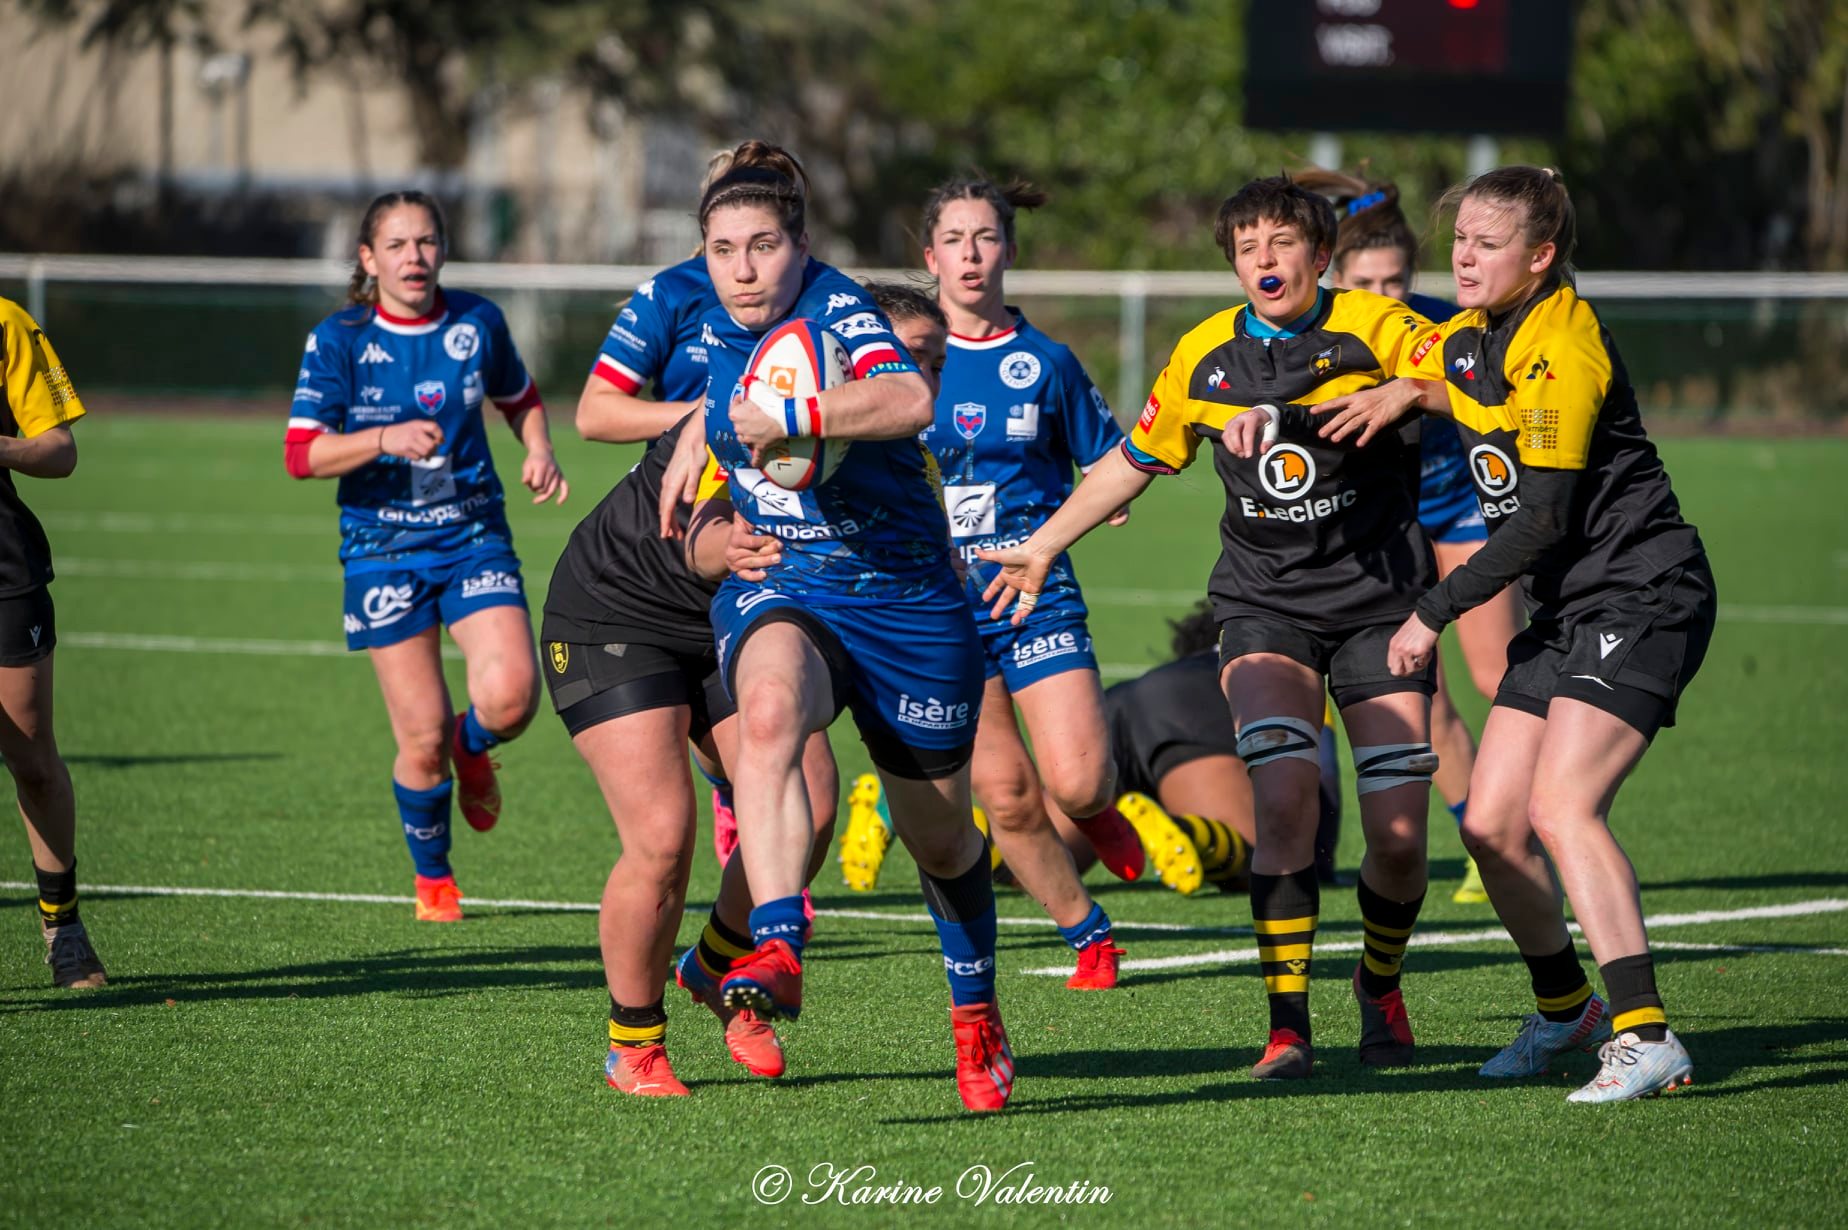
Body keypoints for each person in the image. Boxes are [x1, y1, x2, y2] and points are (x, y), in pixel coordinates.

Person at [980, 175, 1441, 1081]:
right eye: (1247, 248)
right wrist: (1040, 546)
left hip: (1381, 602)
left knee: (1395, 838)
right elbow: (1134, 460)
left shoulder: (1380, 327)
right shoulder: (1203, 354)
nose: (1264, 261)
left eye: (1281, 244)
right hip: (1262, 602)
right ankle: (1287, 1026)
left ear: (1320, 254)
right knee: (1283, 801)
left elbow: (1474, 375)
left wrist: (1409, 394)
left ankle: (1379, 983)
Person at [1317, 166, 1716, 1102]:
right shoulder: (1472, 334)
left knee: (1561, 808)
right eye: (1459, 241)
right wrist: (1405, 393)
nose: (1463, 257)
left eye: (1487, 245)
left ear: (1539, 258)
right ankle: (1566, 1006)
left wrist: (1431, 612)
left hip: (1642, 594)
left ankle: (1645, 1033)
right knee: (1492, 825)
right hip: (1572, 607)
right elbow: (1447, 373)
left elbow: (1538, 519)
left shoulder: (1563, 345)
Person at [663, 142, 1014, 1112]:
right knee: (768, 714)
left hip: (906, 602)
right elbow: (608, 409)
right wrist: (689, 444)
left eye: (763, 244)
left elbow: (909, 398)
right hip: (789, 585)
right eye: (724, 247)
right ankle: (777, 941)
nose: (743, 266)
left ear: (799, 246)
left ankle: (976, 1012)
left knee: (940, 840)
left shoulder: (838, 307)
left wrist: (790, 413)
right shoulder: (687, 315)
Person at [878, 174, 1149, 992]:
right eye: (954, 240)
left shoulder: (1048, 362)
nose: (970, 254)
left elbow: (1108, 459)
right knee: (1007, 797)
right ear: (930, 257)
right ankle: (1089, 934)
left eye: (986, 237)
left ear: (1010, 250)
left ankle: (1100, 814)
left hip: (1033, 589)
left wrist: (1105, 499)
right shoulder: (892, 364)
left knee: (1076, 780)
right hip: (939, 605)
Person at [285, 190, 567, 922]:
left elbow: (521, 395)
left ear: (443, 249)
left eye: (428, 242)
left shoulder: (478, 320)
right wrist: (382, 438)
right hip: (382, 549)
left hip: (473, 533)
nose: (416, 257)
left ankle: (472, 749)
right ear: (368, 257)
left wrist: (538, 448)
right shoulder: (339, 339)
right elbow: (301, 455)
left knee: (510, 696)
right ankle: (434, 878)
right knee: (417, 739)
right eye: (399, 245)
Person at [1300, 166, 1525, 905]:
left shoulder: (1446, 327)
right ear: (1337, 276)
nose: (1385, 298)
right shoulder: (1319, 336)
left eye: (1397, 281)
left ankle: (1531, 820)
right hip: (1383, 526)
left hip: (1461, 509)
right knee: (1423, 700)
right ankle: (1479, 837)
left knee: (1497, 678)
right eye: (1368, 284)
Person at [0, 296, 103, 989]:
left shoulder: (4, 321)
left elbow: (60, 451)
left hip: (3, 569)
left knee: (32, 757)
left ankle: (62, 922)